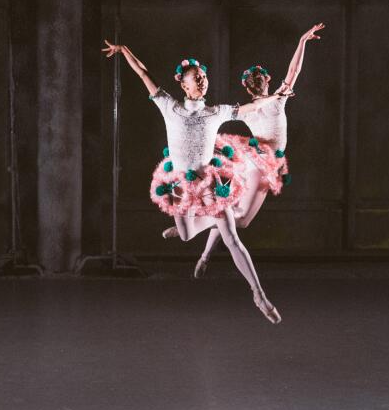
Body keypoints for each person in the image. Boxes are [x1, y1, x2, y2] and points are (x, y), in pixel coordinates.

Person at [101, 41, 281, 323]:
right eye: (196, 78)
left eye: (204, 77)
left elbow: (251, 107)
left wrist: (278, 96)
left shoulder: (216, 112)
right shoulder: (169, 107)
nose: (202, 81)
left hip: (209, 183)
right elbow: (144, 74)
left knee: (232, 237)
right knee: (186, 236)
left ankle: (259, 295)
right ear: (183, 85)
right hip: (180, 185)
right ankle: (195, 225)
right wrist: (124, 52)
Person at [194, 23, 324, 278]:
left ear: (259, 83)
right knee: (241, 220)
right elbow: (292, 71)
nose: (258, 81)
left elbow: (293, 70)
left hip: (251, 161)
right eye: (256, 79)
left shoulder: (275, 99)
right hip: (259, 164)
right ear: (260, 83)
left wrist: (302, 40)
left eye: (257, 78)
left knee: (228, 207)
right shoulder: (269, 102)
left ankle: (204, 255)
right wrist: (302, 40)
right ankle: (199, 227)